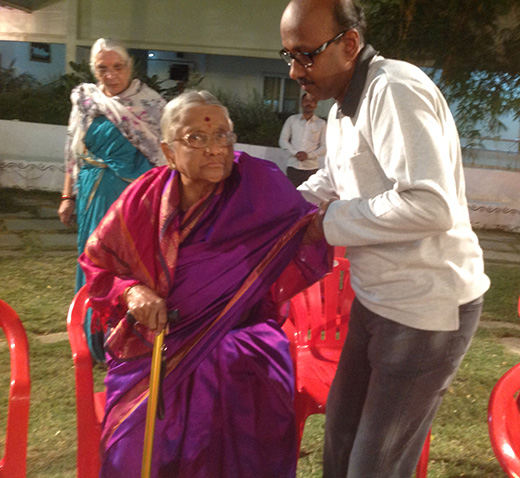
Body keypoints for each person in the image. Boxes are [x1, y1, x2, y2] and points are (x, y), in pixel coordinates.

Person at [279, 1, 491, 476]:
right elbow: (330, 182)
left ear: (349, 44)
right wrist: (276, 211)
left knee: (374, 464)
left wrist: (328, 222)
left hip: (426, 309)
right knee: (340, 440)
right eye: (288, 55)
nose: (295, 70)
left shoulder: (394, 90)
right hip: (377, 300)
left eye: (306, 55)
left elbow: (431, 204)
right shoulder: (340, 110)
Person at [78, 90, 331, 477]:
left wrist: (344, 214)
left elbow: (302, 233)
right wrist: (131, 292)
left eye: (223, 136)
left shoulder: (258, 186)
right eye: (195, 138)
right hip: (156, 346)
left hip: (244, 339)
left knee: (242, 382)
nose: (215, 148)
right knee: (135, 447)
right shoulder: (143, 199)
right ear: (168, 151)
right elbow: (97, 265)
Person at [59, 38, 166, 360]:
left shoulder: (151, 104)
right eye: (103, 68)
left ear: (129, 67)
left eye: (117, 67)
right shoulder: (86, 101)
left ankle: (124, 340)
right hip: (91, 196)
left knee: (124, 265)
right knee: (91, 260)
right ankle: (91, 339)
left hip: (130, 200)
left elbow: (164, 156)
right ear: (95, 71)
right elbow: (72, 152)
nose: (110, 74)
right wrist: (67, 195)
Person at [279, 92, 327, 187]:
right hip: (293, 166)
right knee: (291, 196)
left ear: (316, 105)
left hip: (311, 169)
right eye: (306, 101)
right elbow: (283, 140)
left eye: (312, 101)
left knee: (309, 199)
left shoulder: (321, 124)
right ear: (301, 103)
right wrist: (296, 153)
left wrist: (308, 155)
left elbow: (325, 146)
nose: (308, 104)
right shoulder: (292, 120)